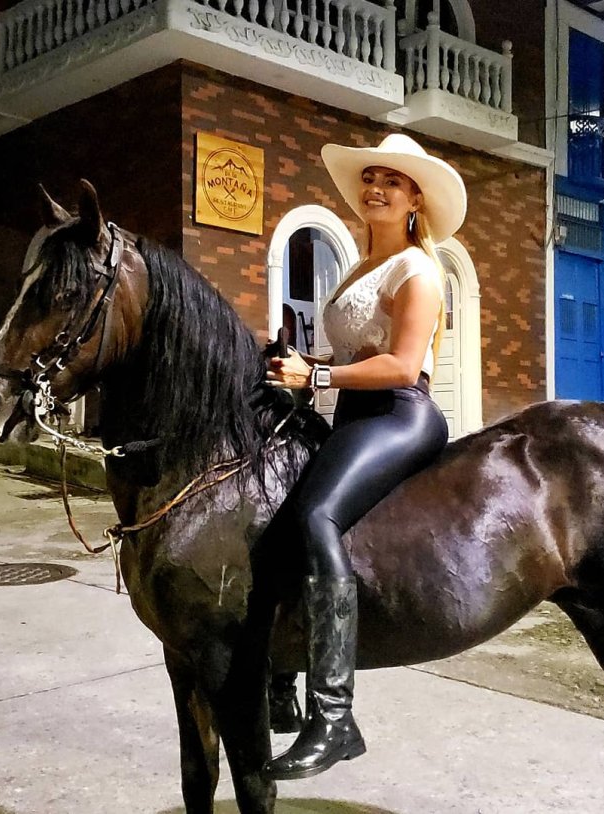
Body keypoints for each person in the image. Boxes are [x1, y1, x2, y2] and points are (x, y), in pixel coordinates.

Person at [259, 133, 467, 780]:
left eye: (392, 181)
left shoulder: (418, 270)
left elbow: (403, 365)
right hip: (354, 416)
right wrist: (296, 367)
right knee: (273, 502)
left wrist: (316, 381)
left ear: (414, 201)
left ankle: (335, 717)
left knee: (316, 516)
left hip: (402, 416)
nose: (375, 187)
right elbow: (350, 356)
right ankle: (278, 675)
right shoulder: (357, 270)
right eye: (370, 177)